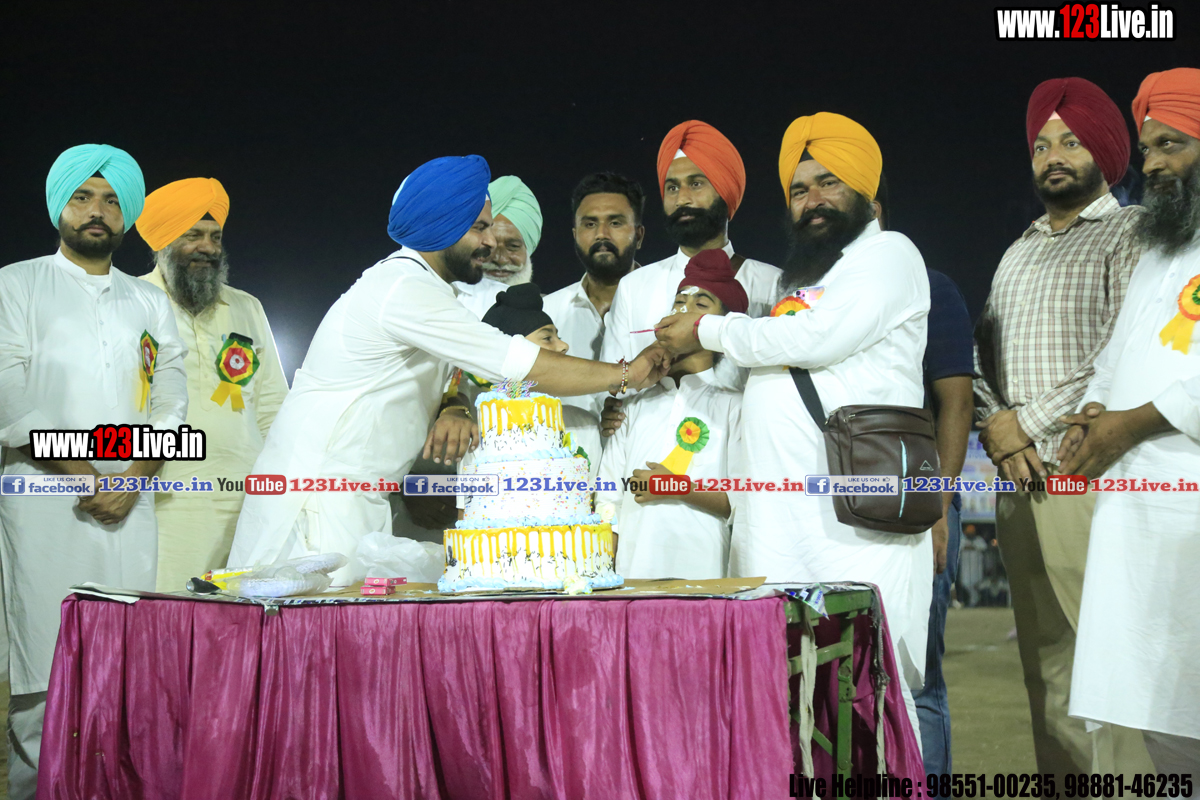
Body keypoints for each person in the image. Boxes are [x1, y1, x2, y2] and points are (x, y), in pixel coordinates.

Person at [229, 155, 668, 584]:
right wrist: (627, 373)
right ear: (443, 227)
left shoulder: (429, 290)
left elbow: (445, 380)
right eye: (479, 228)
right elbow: (519, 365)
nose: (490, 242)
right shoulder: (404, 288)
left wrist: (455, 405)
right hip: (316, 496)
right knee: (308, 629)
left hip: (351, 495)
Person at [654, 112, 932, 734]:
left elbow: (816, 338)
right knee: (789, 703)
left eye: (829, 182)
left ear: (865, 190)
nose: (812, 200)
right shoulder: (805, 279)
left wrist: (709, 329)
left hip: (854, 522)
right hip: (783, 524)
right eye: (799, 189)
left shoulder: (889, 254)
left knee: (870, 695)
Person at [973, 77, 1150, 777]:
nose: (1053, 156)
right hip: (1019, 484)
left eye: (1070, 142)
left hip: (1089, 475)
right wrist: (997, 428)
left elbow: (1120, 348)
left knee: (1109, 663)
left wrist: (1023, 425)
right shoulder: (1015, 252)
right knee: (1044, 670)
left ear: (1104, 151)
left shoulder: (1131, 233)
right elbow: (980, 356)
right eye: (1042, 145)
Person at [0, 145, 188, 799]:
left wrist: (131, 478)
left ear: (127, 214)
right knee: (44, 671)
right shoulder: (16, 285)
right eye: (83, 197)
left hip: (131, 503)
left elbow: (172, 399)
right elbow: (8, 395)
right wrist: (88, 475)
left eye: (111, 200)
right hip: (44, 499)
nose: (97, 211)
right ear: (60, 207)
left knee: (127, 669)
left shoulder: (149, 302)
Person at [1060, 66, 1200, 778]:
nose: (1153, 164)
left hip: (1188, 511)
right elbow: (1119, 353)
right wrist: (1094, 412)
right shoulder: (1160, 250)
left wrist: (1136, 422)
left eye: (1172, 145)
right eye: (1147, 149)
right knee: (1157, 709)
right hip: (1136, 514)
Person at [135, 177, 289, 591]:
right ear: (163, 241)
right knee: (170, 614)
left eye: (215, 237)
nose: (207, 247)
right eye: (193, 235)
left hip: (248, 500)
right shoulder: (131, 302)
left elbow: (273, 405)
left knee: (244, 617)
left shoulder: (246, 306)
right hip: (166, 501)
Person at [595, 249, 744, 579]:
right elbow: (607, 496)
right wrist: (605, 564)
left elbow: (741, 502)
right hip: (631, 576)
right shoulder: (633, 405)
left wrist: (677, 487)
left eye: (700, 304)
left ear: (720, 326)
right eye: (678, 302)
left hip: (706, 577)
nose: (683, 311)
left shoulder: (735, 405)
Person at [600, 120, 780, 366]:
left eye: (696, 184)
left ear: (725, 191)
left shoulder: (772, 284)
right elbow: (613, 379)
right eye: (672, 187)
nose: (682, 199)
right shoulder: (634, 287)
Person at [544, 173, 646, 475]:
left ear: (639, 235)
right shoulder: (546, 312)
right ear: (575, 234)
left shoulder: (667, 308)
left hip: (640, 476)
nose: (602, 234)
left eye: (615, 223)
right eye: (590, 224)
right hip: (559, 482)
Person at [453, 174, 542, 318]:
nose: (500, 260)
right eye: (489, 245)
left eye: (513, 246)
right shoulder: (442, 303)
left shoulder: (550, 311)